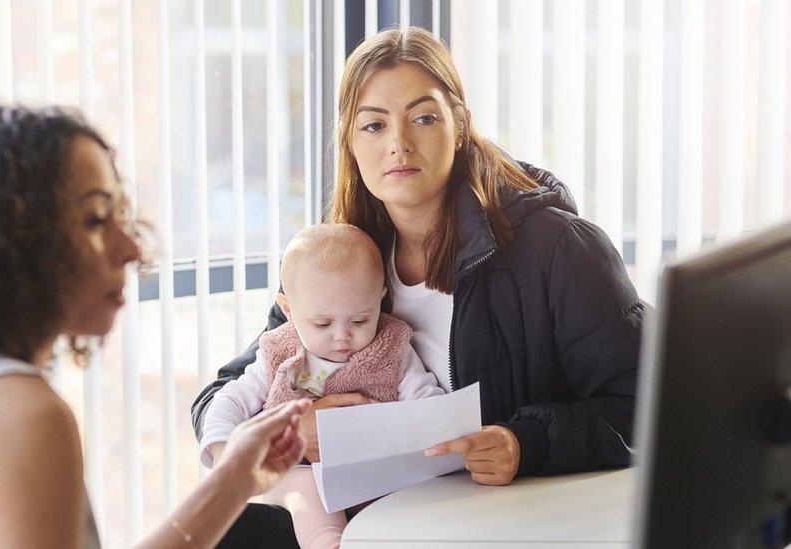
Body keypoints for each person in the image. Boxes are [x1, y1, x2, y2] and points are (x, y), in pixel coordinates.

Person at [192, 26, 645, 546]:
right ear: (350, 142)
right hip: (373, 520)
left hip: (500, 523)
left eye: (424, 118)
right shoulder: (341, 257)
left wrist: (527, 441)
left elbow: (646, 406)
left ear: (461, 124)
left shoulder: (558, 249)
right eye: (373, 125)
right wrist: (293, 434)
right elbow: (226, 393)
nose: (399, 145)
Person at [0, 105, 310, 549]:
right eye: (95, 219)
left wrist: (237, 479)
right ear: (12, 243)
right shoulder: (20, 414)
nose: (132, 249)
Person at [199, 223, 444, 548]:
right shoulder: (279, 351)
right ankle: (327, 542)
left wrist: (433, 433)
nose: (342, 336)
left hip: (373, 471)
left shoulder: (392, 347)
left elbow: (428, 402)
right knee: (306, 489)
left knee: (396, 503)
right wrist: (224, 452)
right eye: (322, 323)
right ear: (288, 310)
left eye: (360, 320)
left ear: (380, 298)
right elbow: (230, 399)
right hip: (295, 469)